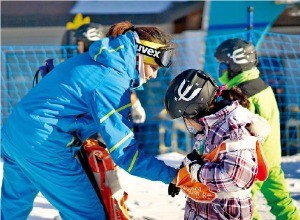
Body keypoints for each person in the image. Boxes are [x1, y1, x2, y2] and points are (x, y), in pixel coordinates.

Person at [1, 21, 176, 220]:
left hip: (14, 133)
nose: (154, 75)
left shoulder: (95, 60)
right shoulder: (112, 80)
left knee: (12, 210)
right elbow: (126, 153)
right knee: (88, 215)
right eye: (154, 67)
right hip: (44, 146)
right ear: (141, 55)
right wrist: (173, 175)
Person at [165, 69, 270, 219]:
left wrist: (197, 170)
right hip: (202, 208)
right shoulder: (209, 126)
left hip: (224, 211)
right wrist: (183, 176)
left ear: (194, 112)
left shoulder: (234, 129)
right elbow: (202, 157)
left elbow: (236, 178)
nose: (186, 123)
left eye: (184, 118)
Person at [214, 38, 300, 220]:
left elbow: (240, 129)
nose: (220, 69)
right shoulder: (259, 84)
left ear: (236, 65)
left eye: (224, 64)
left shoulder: (243, 93)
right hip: (271, 158)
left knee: (243, 204)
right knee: (281, 201)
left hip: (253, 163)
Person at [74, 21, 146, 123]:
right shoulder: (105, 60)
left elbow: (119, 87)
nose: (77, 47)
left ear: (87, 42)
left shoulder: (92, 64)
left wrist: (136, 105)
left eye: (79, 43)